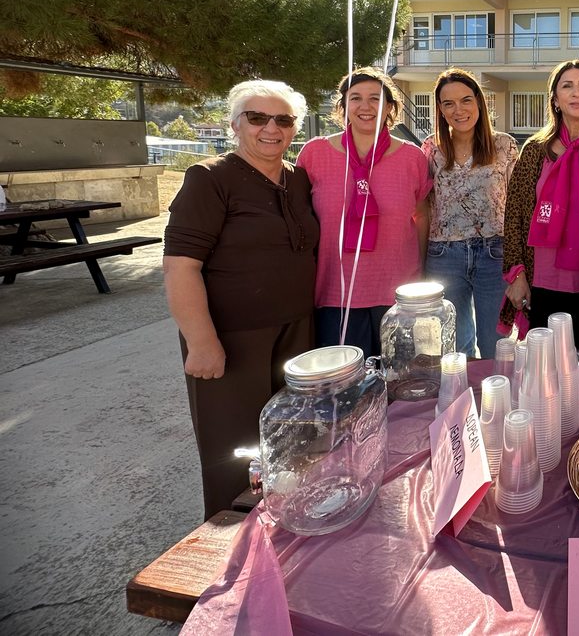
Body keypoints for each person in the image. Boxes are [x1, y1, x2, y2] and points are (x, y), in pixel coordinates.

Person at [163, 79, 319, 519]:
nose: (271, 128)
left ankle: (288, 531)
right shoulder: (209, 178)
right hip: (231, 339)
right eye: (257, 117)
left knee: (293, 446)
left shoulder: (299, 179)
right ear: (235, 124)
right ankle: (232, 544)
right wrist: (201, 342)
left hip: (297, 334)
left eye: (283, 119)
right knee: (234, 458)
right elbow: (180, 266)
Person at [295, 67, 431, 358]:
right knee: (345, 381)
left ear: (390, 107)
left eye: (375, 98)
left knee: (398, 379)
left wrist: (420, 271)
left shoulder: (413, 157)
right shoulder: (314, 153)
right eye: (355, 98)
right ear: (343, 106)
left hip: (398, 292)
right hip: (335, 291)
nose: (365, 106)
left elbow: (421, 215)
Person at [501, 59, 579, 357]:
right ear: (555, 98)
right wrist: (516, 275)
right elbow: (514, 215)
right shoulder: (535, 150)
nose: (576, 93)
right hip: (540, 279)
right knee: (541, 365)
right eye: (567, 86)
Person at [422, 68, 518, 359]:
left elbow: (517, 209)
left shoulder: (504, 145)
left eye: (465, 100)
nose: (458, 110)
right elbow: (422, 205)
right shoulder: (431, 149)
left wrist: (521, 265)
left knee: (495, 346)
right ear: (440, 109)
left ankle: (498, 391)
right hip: (444, 256)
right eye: (448, 103)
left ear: (479, 102)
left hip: (494, 254)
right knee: (454, 350)